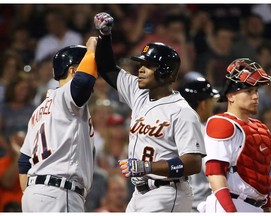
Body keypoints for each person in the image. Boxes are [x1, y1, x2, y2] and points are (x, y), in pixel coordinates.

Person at [94, 12, 206, 212]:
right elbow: (107, 68)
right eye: (141, 64)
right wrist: (105, 35)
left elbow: (193, 163)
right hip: (139, 193)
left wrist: (149, 167)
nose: (141, 70)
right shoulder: (138, 93)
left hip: (168, 192)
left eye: (149, 66)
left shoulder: (181, 111)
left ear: (165, 72)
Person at [18, 36, 98, 212]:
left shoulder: (39, 110)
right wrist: (91, 48)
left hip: (34, 195)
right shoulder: (65, 98)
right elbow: (83, 83)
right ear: (73, 70)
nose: (95, 74)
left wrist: (36, 193)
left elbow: (24, 161)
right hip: (59, 192)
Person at [198, 58, 271, 212]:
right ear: (231, 96)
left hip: (255, 207)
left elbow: (262, 179)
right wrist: (230, 211)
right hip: (229, 203)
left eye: (256, 91)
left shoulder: (261, 128)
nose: (255, 96)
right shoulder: (221, 123)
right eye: (248, 91)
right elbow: (215, 173)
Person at [179, 76, 219, 212]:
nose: (213, 105)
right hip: (200, 205)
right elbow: (212, 171)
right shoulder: (205, 131)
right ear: (203, 104)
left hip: (176, 203)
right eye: (211, 101)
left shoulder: (175, 126)